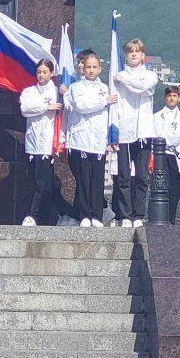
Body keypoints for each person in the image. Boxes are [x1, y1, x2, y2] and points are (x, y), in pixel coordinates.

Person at [65, 51, 117, 227]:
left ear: (100, 69)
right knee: (84, 180)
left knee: (97, 180)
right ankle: (84, 214)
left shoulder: (105, 89)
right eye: (88, 67)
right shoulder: (76, 88)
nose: (91, 70)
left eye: (95, 67)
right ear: (83, 68)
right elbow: (82, 106)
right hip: (81, 139)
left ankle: (96, 215)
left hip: (99, 140)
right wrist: (103, 102)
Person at [111, 38, 157, 227]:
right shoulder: (117, 76)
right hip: (124, 130)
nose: (134, 54)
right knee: (123, 175)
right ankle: (125, 215)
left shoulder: (150, 75)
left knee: (142, 176)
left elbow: (143, 88)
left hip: (144, 131)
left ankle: (138, 214)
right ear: (126, 55)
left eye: (137, 51)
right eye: (131, 51)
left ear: (142, 55)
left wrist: (125, 80)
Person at [19, 58, 63, 227]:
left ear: (51, 73)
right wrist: (45, 107)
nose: (41, 75)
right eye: (39, 72)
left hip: (48, 142)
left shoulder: (57, 92)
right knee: (34, 180)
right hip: (32, 143)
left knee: (42, 181)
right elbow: (25, 109)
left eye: (45, 72)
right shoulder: (29, 91)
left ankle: (33, 214)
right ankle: (60, 213)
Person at [153, 85, 180, 223]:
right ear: (165, 97)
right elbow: (156, 135)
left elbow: (177, 137)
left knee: (175, 188)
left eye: (174, 96)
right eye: (169, 96)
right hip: (161, 154)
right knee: (162, 187)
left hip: (176, 154)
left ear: (179, 98)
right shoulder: (157, 116)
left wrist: (165, 137)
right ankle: (160, 217)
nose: (172, 98)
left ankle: (171, 218)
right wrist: (165, 137)